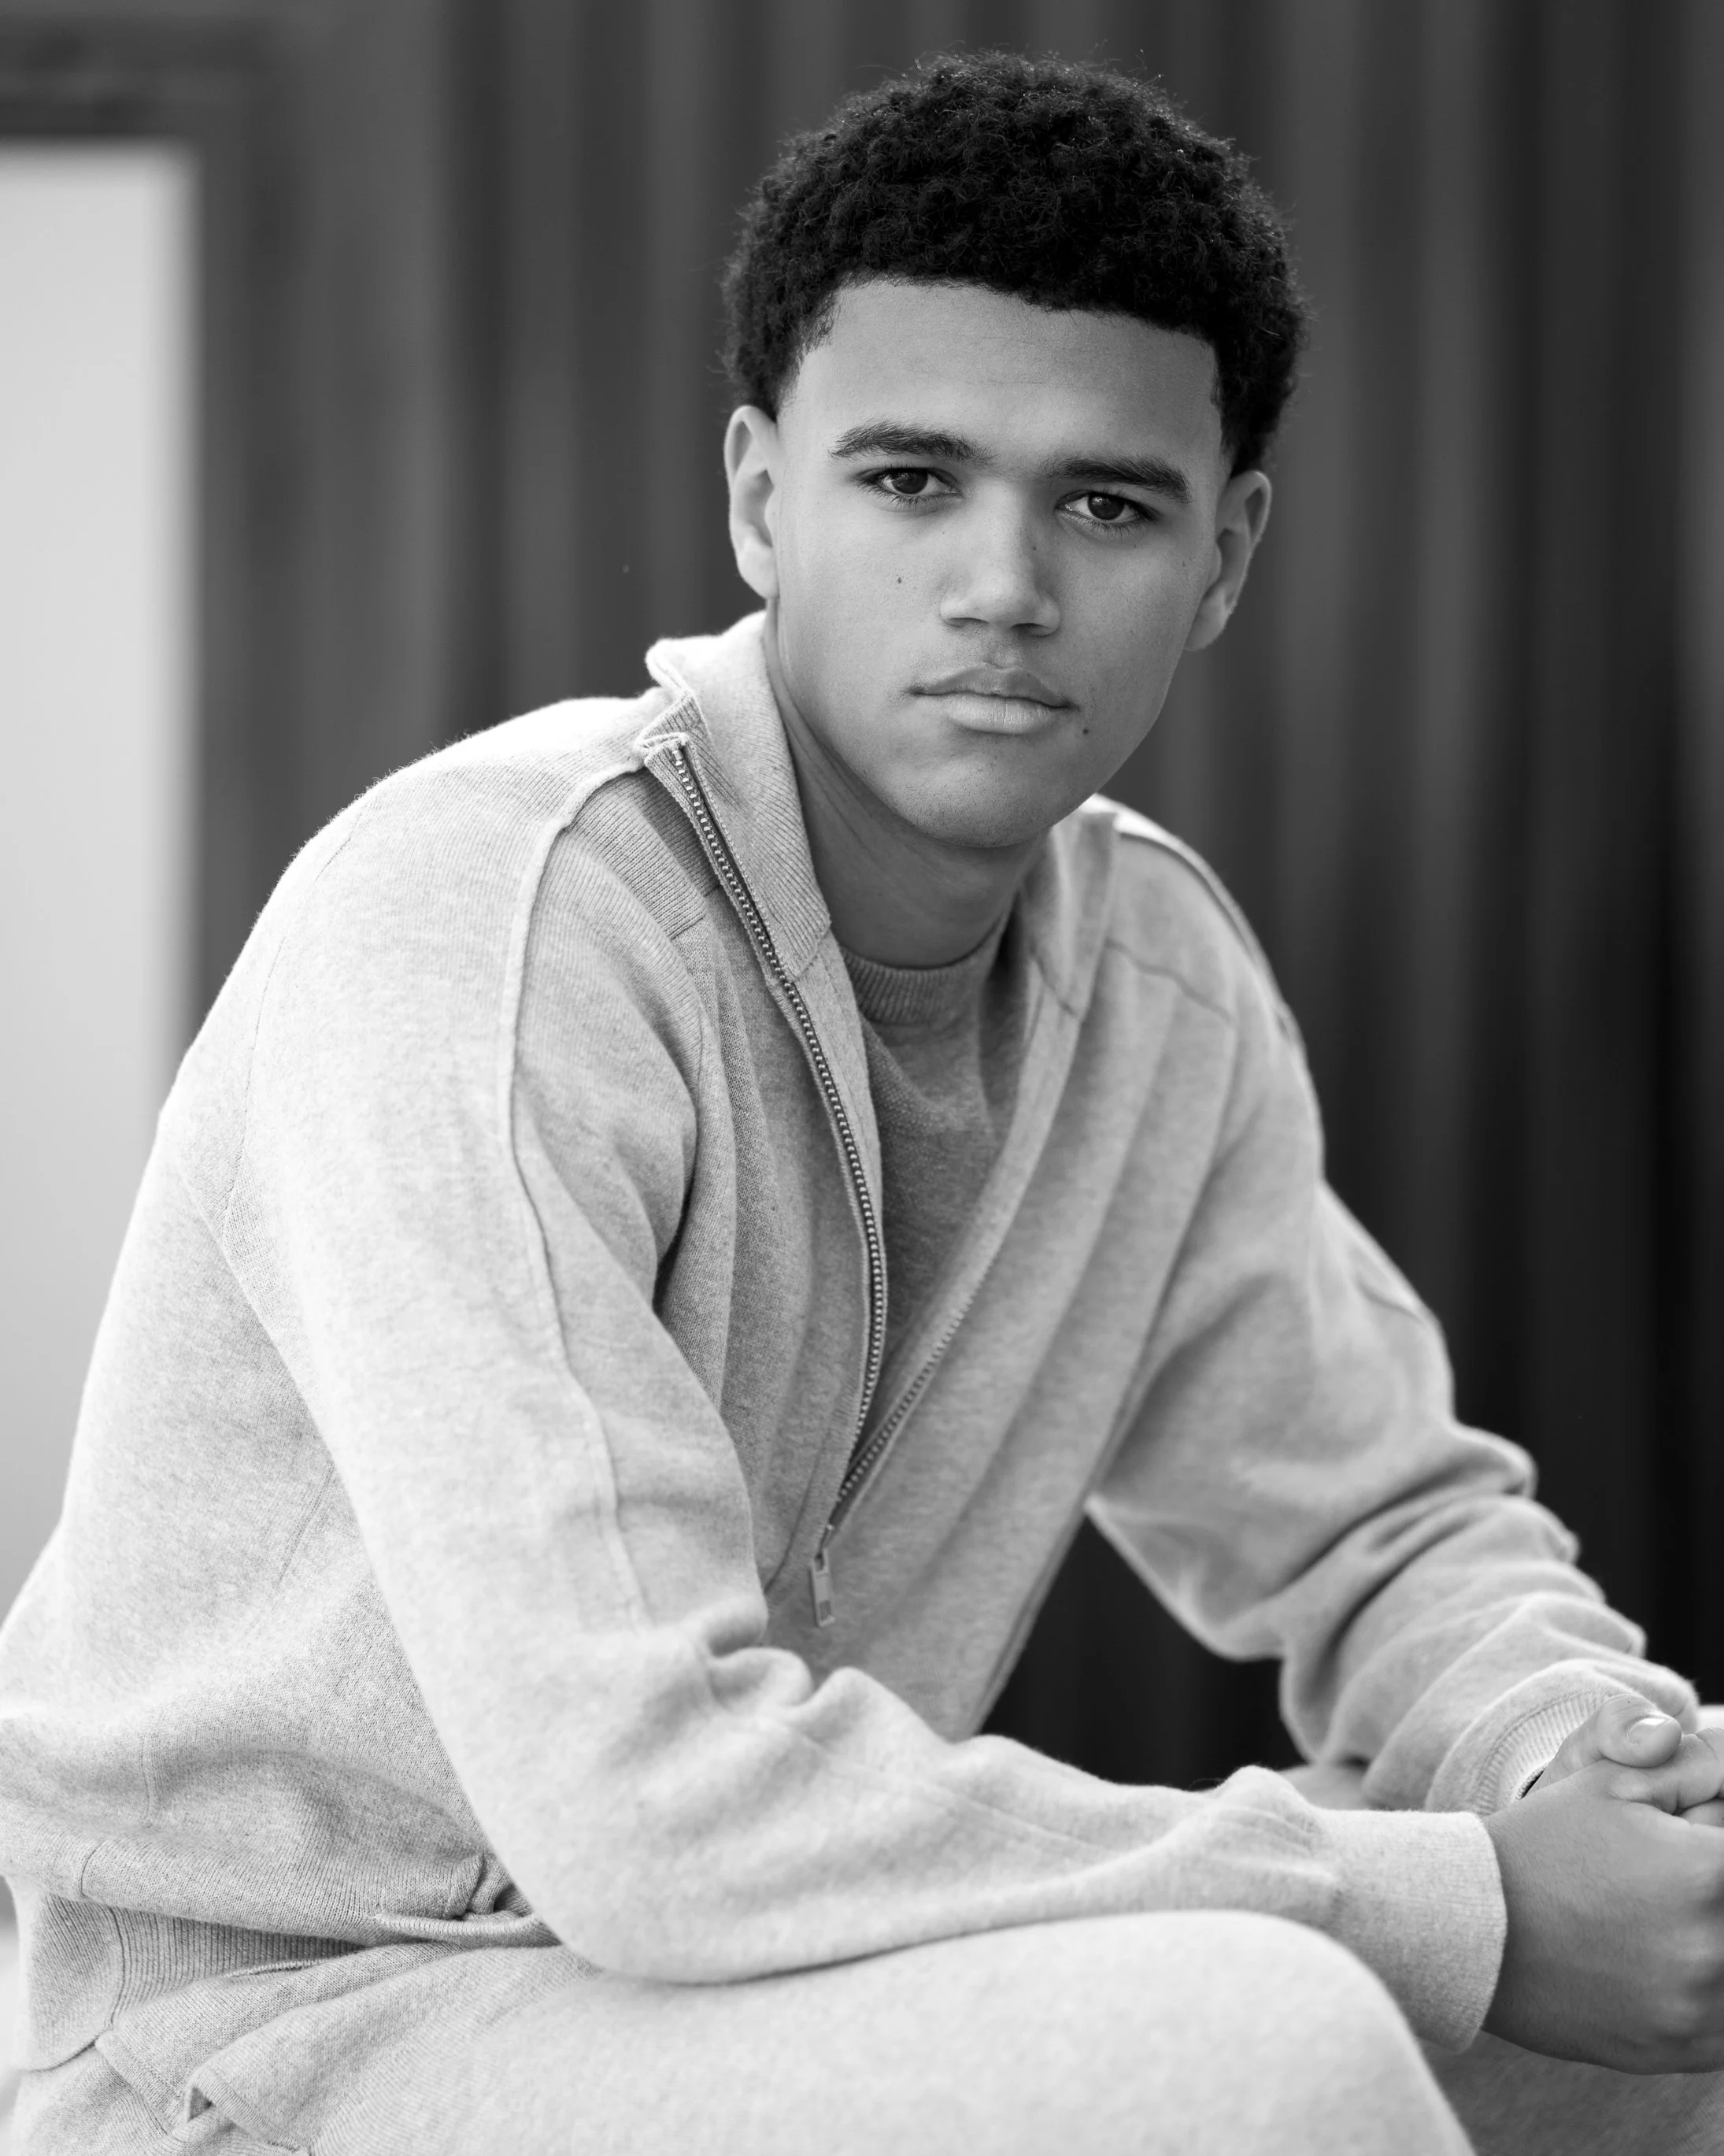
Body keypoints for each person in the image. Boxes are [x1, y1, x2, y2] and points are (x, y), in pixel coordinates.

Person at [2, 50, 1722, 2156]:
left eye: (1105, 502)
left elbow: (1380, 1533)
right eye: (911, 480)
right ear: (756, 497)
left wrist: (1580, 1767)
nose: (1001, 585)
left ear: (1227, 551)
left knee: (1660, 2022)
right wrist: (1454, 1907)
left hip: (730, 1976)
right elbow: (639, 1795)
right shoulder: (493, 917)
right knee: (1265, 2046)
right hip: (280, 2035)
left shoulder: (1153, 984)